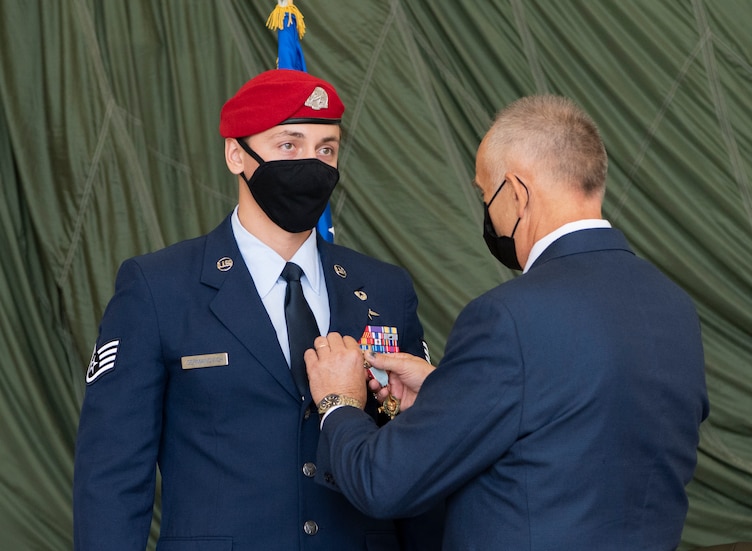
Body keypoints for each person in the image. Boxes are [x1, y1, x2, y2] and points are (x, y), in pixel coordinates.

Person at [306, 94, 710, 550]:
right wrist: (448, 390)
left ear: (516, 193)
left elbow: (382, 484)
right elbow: (574, 426)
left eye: (485, 194)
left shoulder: (506, 319)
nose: (487, 212)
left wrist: (339, 401)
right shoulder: (674, 307)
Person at [73, 69, 442, 550]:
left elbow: (417, 462)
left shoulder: (385, 289)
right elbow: (112, 474)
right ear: (235, 154)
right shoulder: (158, 288)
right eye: (289, 145)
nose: (312, 163)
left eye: (325, 148)